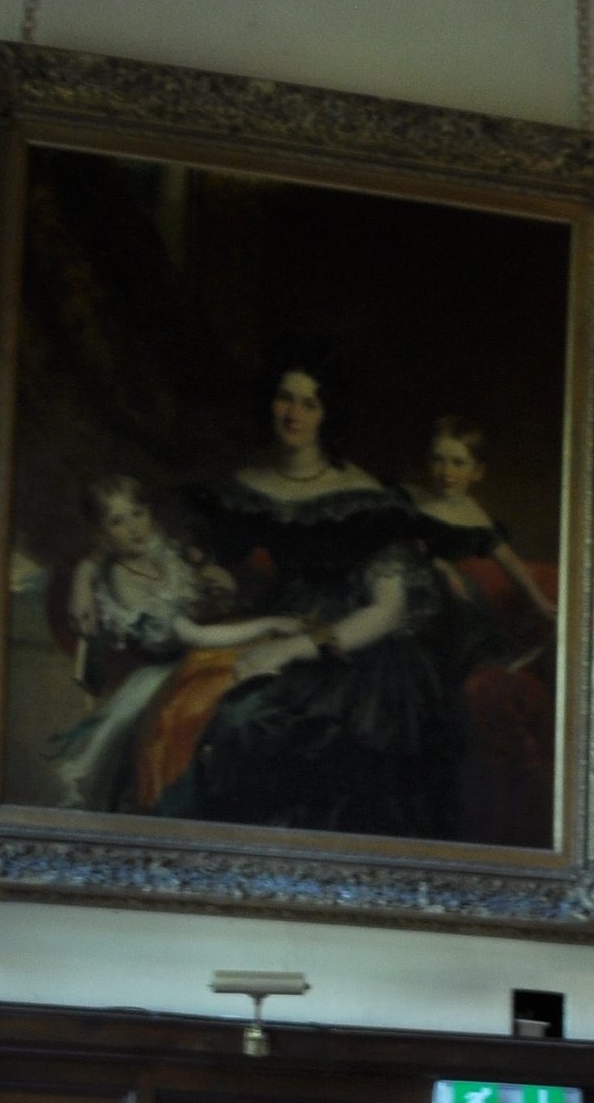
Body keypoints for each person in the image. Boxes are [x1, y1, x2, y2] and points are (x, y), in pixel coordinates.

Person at [155, 351, 470, 836]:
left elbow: (389, 609)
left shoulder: (365, 501)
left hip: (352, 654)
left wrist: (295, 647)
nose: (294, 414)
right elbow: (211, 561)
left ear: (328, 415)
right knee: (177, 702)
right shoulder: (243, 486)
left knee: (247, 721)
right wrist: (211, 578)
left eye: (310, 403)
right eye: (285, 397)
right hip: (276, 624)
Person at [43, 476, 295, 810]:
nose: (135, 528)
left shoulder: (154, 550)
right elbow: (195, 635)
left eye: (138, 513)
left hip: (203, 652)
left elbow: (185, 567)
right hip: (170, 671)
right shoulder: (124, 581)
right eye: (118, 521)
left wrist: (208, 572)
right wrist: (270, 622)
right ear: (102, 535)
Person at [411, 418, 560, 843]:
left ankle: (496, 660)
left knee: (462, 610)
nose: (446, 471)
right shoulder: (410, 502)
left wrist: (540, 602)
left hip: (448, 613)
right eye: (439, 460)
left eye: (458, 462)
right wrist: (435, 564)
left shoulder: (475, 519)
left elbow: (512, 564)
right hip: (411, 601)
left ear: (477, 472)